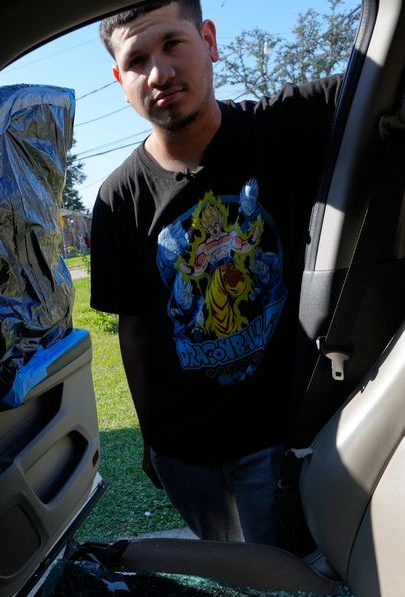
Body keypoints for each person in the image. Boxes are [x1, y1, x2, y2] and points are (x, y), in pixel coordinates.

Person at [90, 0, 343, 546]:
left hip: (282, 440)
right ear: (119, 79)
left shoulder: (286, 125)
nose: (158, 73)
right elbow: (135, 328)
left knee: (291, 579)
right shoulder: (117, 198)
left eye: (172, 44)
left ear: (208, 40)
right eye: (137, 60)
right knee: (238, 578)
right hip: (186, 456)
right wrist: (151, 438)